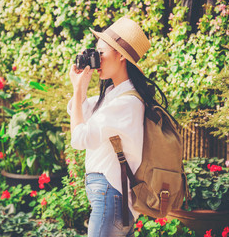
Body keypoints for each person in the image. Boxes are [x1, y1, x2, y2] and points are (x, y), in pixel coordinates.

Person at [67, 16, 175, 237]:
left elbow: (79, 138)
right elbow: (79, 111)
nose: (96, 60)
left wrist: (78, 91)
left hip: (110, 195)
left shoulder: (127, 102)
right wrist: (81, 88)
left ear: (122, 56)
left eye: (101, 54)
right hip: (109, 196)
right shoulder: (112, 95)